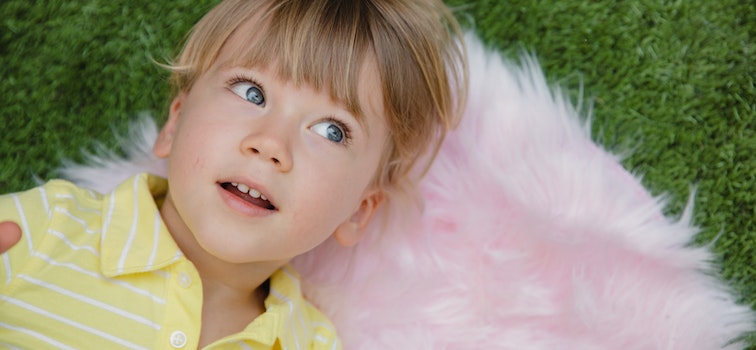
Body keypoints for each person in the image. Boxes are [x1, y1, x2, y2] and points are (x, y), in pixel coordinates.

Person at [0, 0, 466, 348]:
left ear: (359, 213)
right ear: (175, 123)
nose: (271, 144)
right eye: (252, 92)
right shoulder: (43, 230)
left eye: (331, 131)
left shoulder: (310, 342)